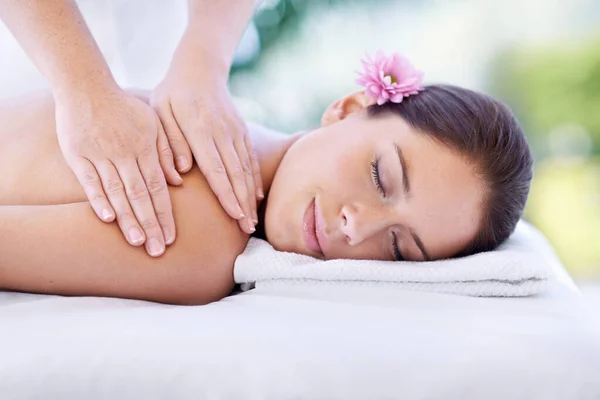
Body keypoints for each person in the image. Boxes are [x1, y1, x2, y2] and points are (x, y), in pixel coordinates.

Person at [0, 51, 533, 305]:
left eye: (398, 249)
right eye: (380, 175)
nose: (356, 227)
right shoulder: (203, 243)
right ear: (348, 107)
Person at [0, 0, 264, 259]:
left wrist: (204, 62)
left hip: (159, 55)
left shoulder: (209, 244)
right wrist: (82, 85)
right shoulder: (207, 244)